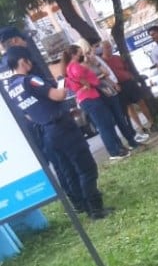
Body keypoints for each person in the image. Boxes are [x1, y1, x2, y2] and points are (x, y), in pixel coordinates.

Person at [3, 46, 112, 218]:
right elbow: (58, 95)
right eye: (29, 60)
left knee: (68, 170)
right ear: (23, 61)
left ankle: (82, 205)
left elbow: (27, 114)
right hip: (62, 127)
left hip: (46, 131)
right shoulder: (31, 80)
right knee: (86, 167)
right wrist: (62, 83)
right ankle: (96, 208)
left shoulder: (11, 87)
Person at [62, 44, 144, 160]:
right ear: (75, 54)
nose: (85, 54)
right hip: (93, 95)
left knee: (109, 123)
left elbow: (103, 74)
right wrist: (88, 83)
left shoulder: (78, 65)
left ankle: (119, 147)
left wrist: (95, 73)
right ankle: (115, 151)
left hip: (97, 93)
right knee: (104, 126)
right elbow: (81, 78)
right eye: (82, 52)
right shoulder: (76, 66)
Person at [96, 40, 157, 134]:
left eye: (110, 46)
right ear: (102, 49)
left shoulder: (117, 57)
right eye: (106, 47)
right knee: (129, 107)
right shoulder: (102, 62)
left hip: (129, 82)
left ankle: (152, 123)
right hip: (118, 86)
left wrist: (131, 78)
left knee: (141, 102)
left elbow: (126, 68)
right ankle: (141, 127)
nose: (109, 49)